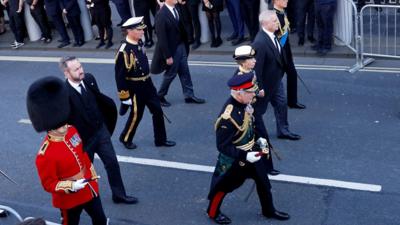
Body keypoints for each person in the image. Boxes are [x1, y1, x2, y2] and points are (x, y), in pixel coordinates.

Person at [206, 73, 289, 224]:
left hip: (252, 152)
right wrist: (245, 156)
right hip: (236, 160)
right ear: (239, 93)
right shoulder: (228, 117)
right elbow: (223, 146)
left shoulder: (246, 104)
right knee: (223, 187)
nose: (253, 95)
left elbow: (252, 128)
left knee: (263, 183)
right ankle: (213, 212)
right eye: (250, 92)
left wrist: (263, 146)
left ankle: (268, 210)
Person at [26, 76, 108, 225]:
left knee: (100, 219)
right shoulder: (45, 155)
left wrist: (92, 174)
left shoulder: (72, 130)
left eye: (64, 124)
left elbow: (82, 155)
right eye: (60, 126)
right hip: (69, 198)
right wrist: (71, 186)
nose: (65, 127)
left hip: (88, 188)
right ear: (49, 127)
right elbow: (49, 184)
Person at [60, 56, 138, 204]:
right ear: (66, 73)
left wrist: (104, 126)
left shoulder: (89, 79)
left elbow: (98, 100)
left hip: (100, 132)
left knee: (112, 163)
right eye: (76, 69)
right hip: (83, 141)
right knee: (85, 173)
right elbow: (64, 123)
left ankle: (119, 195)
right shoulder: (64, 93)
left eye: (81, 66)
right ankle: (86, 201)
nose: (81, 70)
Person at [115, 17, 176, 149]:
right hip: (135, 89)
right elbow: (120, 76)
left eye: (142, 29)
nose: (143, 32)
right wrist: (125, 97)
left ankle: (160, 140)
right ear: (130, 31)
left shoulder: (139, 43)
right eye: (139, 30)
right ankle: (125, 138)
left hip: (147, 85)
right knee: (137, 115)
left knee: (158, 111)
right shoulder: (124, 51)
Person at [252, 10, 301, 140]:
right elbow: (257, 68)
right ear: (265, 23)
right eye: (274, 21)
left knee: (281, 103)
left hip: (276, 80)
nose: (277, 23)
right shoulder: (260, 42)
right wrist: (259, 87)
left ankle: (283, 130)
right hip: (265, 83)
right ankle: (249, 133)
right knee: (257, 110)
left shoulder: (273, 35)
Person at [233, 45, 280, 175]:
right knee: (251, 141)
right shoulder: (239, 76)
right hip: (246, 114)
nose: (255, 61)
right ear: (243, 61)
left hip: (254, 111)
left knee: (261, 140)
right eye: (251, 58)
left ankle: (266, 166)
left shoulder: (250, 71)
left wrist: (259, 91)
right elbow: (238, 98)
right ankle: (257, 167)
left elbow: (254, 85)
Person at [151, 0, 205, 107]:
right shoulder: (161, 15)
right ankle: (160, 96)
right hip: (172, 50)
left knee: (185, 71)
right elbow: (162, 38)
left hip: (181, 46)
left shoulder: (177, 9)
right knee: (170, 74)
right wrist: (168, 56)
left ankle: (189, 95)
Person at [274, 0, 306, 109]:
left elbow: (285, 36)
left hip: (286, 51)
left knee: (291, 75)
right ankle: (261, 99)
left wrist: (289, 53)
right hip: (279, 53)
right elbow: (275, 39)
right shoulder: (274, 16)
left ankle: (292, 101)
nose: (286, 1)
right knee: (273, 78)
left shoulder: (282, 12)